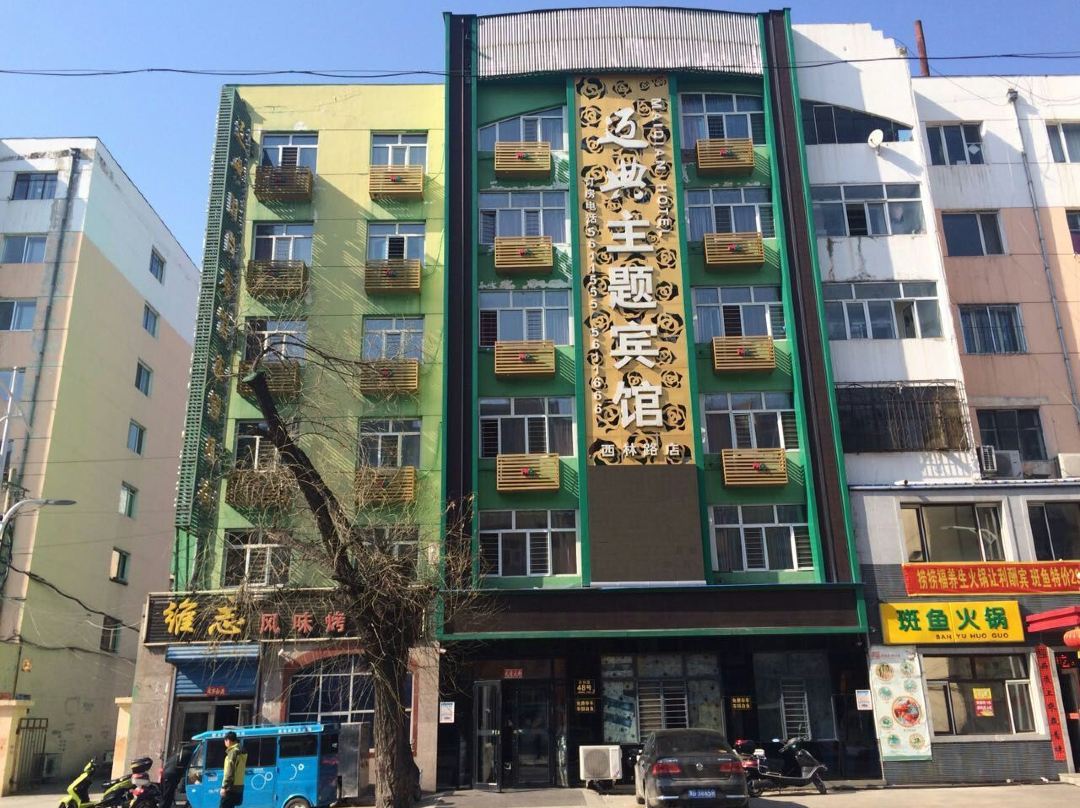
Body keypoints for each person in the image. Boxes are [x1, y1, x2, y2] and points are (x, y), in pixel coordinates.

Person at [220, 731, 247, 808]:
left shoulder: (233, 752)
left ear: (228, 740)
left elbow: (229, 771)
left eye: (225, 740)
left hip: (230, 788)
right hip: (239, 787)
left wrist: (224, 787)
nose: (225, 743)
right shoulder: (242, 751)